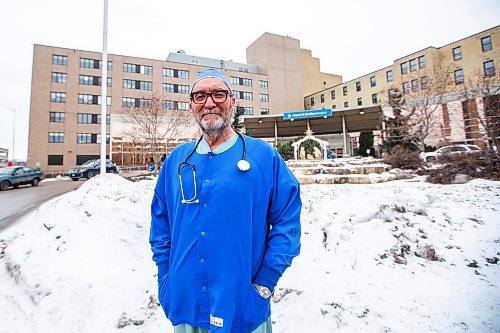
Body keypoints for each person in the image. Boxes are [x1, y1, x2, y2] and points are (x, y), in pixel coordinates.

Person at [150, 68, 302, 333]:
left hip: (241, 305)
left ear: (232, 101)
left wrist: (265, 280)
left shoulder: (263, 157)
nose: (209, 102)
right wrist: (165, 277)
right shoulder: (177, 160)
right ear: (191, 106)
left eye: (218, 94)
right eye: (200, 96)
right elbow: (161, 227)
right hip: (187, 303)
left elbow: (287, 223)